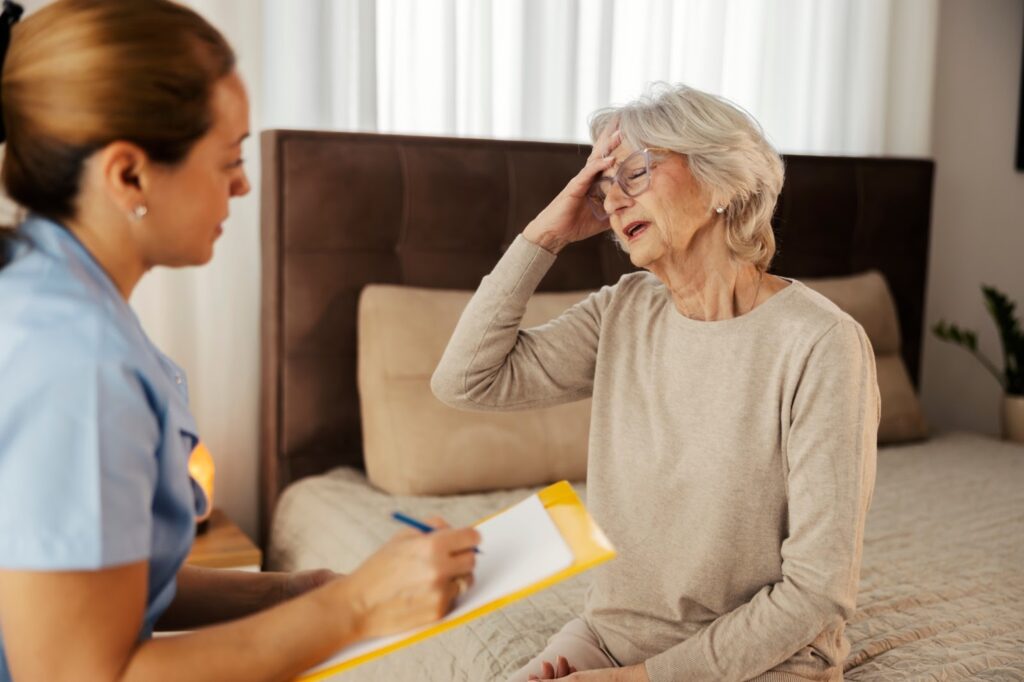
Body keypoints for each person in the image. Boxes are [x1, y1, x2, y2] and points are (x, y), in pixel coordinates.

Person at [0, 2, 478, 680]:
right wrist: (359, 607)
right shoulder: (76, 363)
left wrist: (288, 593)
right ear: (129, 174)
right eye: (229, 158)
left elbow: (102, 581)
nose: (244, 183)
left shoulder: (52, 290)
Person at [432, 83, 879, 682]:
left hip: (762, 660)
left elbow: (817, 593)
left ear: (721, 180)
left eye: (635, 173)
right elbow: (466, 381)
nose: (614, 202)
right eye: (603, 186)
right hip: (608, 639)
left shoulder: (822, 344)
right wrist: (547, 235)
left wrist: (638, 680)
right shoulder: (624, 310)